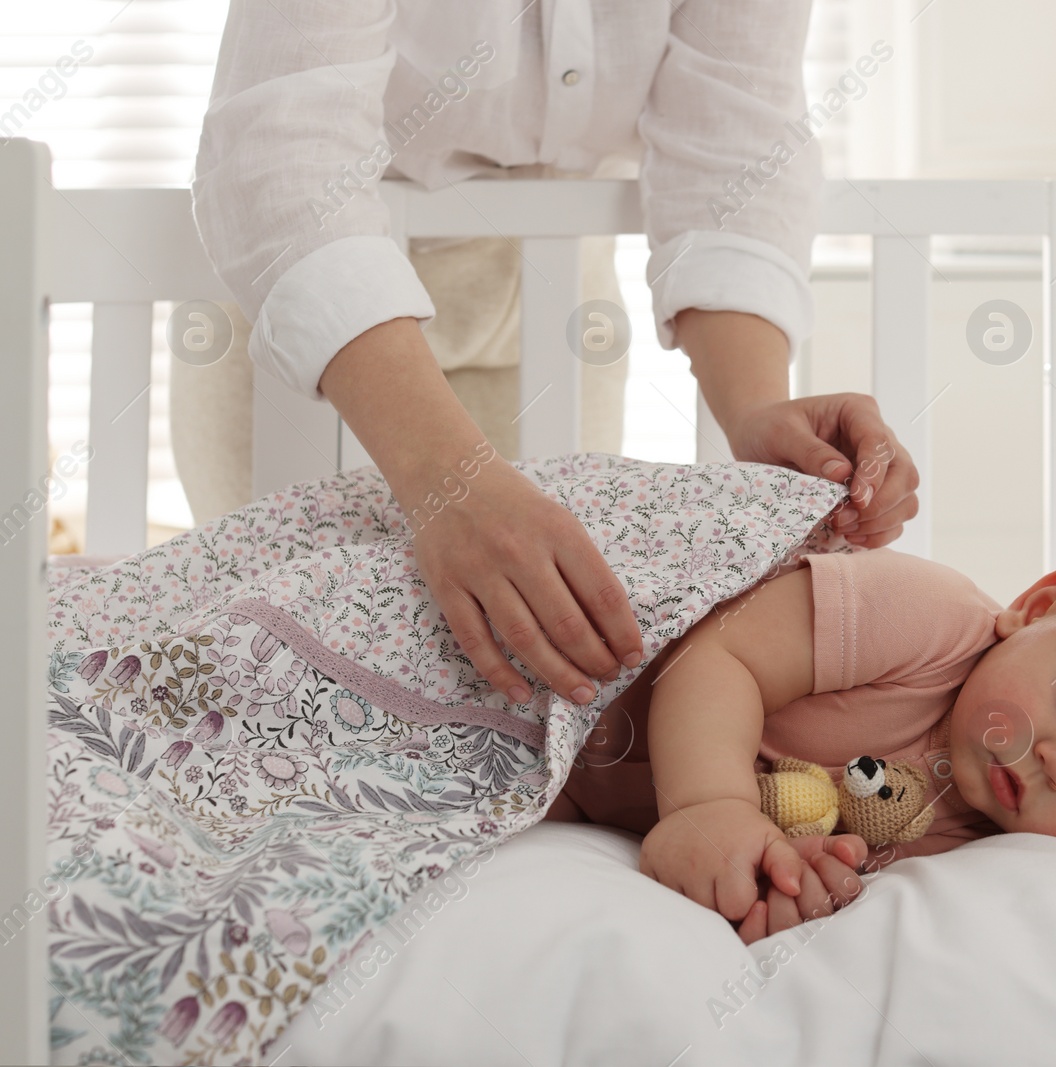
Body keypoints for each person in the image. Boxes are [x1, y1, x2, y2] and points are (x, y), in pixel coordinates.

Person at [189, 0, 919, 714]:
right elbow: (285, 149)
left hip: (559, 301)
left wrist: (757, 405)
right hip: (322, 315)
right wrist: (454, 482)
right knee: (273, 685)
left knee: (523, 685)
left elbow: (733, 147)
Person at [547, 547, 1056, 944]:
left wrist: (781, 883)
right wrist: (707, 804)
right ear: (1037, 605)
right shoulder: (928, 621)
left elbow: (813, 849)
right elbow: (718, 654)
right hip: (567, 649)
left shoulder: (978, 853)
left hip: (550, 790)